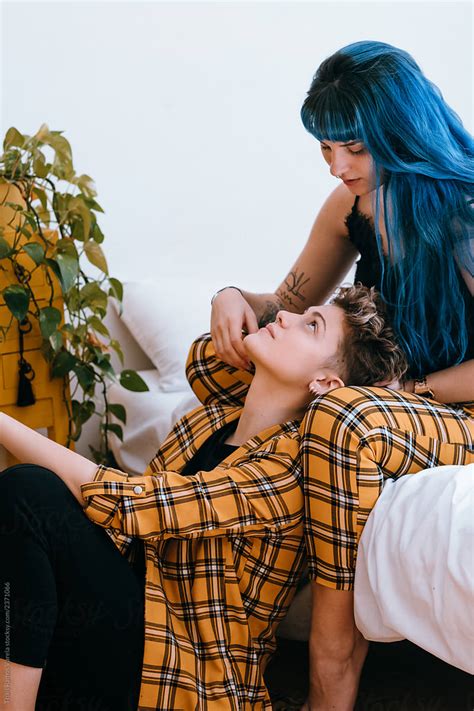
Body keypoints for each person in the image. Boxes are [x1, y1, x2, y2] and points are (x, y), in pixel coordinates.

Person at [208, 41, 474, 710]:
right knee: (212, 355)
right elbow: (287, 304)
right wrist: (233, 297)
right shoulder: (351, 207)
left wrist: (403, 394)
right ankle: (212, 528)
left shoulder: (464, 214)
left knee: (343, 416)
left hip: (454, 407)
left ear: (400, 128)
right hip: (391, 400)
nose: (337, 164)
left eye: (351, 146)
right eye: (326, 148)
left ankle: (332, 673)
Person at [0, 285, 407, 711]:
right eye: (300, 312)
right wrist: (226, 294)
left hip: (187, 671)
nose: (284, 317)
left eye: (311, 326)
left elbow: (136, 504)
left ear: (325, 381)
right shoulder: (207, 421)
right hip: (132, 621)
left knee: (29, 493)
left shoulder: (290, 469)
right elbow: (206, 359)